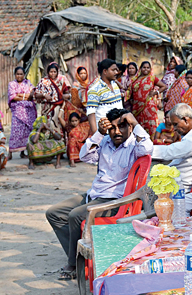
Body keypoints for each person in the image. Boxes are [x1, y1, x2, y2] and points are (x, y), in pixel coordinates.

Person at [45, 108, 152, 280]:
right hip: (94, 194)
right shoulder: (105, 142)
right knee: (54, 213)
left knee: (75, 216)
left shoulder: (134, 145)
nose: (117, 132)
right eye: (112, 128)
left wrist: (136, 123)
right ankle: (79, 255)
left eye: (122, 127)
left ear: (129, 127)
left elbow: (148, 148)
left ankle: (74, 265)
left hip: (114, 200)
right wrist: (99, 134)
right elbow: (84, 156)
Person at [152, 103, 192, 192]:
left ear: (185, 120)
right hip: (175, 182)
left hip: (179, 188)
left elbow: (168, 152)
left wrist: (144, 149)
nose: (174, 129)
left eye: (175, 124)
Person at [130, 61, 168, 136]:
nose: (146, 69)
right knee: (138, 125)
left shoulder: (152, 78)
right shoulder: (135, 79)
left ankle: (152, 143)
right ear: (140, 68)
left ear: (150, 69)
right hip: (136, 107)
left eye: (148, 68)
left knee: (150, 125)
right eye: (144, 67)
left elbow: (164, 86)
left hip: (149, 106)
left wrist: (155, 93)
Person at [8, 66, 37, 160]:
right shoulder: (11, 84)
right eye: (17, 74)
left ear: (24, 75)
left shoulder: (28, 83)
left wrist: (21, 95)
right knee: (15, 132)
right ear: (14, 74)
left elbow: (32, 94)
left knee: (26, 132)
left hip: (28, 112)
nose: (19, 76)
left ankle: (23, 152)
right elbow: (13, 97)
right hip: (17, 111)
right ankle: (10, 153)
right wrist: (25, 96)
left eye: (21, 74)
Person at [86, 59, 122, 135]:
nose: (116, 72)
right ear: (105, 71)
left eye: (117, 70)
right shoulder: (95, 89)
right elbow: (91, 113)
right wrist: (96, 135)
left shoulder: (115, 85)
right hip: (106, 132)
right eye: (113, 70)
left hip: (119, 129)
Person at [35, 63, 72, 136]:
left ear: (57, 72)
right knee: (48, 126)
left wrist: (66, 96)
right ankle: (49, 145)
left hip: (60, 108)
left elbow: (67, 92)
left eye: (54, 72)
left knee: (59, 125)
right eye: (51, 72)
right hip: (47, 108)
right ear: (48, 72)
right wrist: (44, 95)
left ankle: (60, 143)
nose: (53, 74)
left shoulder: (61, 80)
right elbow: (36, 94)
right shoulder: (43, 81)